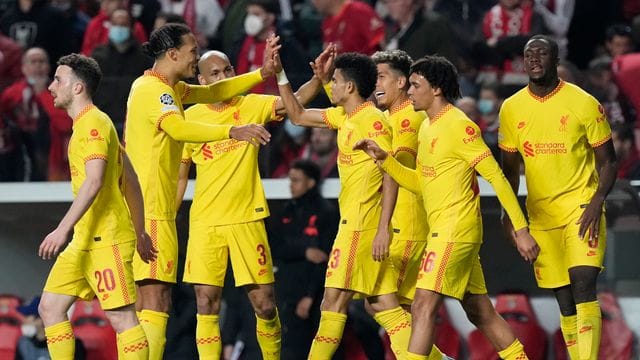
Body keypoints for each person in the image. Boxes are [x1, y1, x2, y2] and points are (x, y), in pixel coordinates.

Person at [354, 54, 539, 360]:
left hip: (455, 230)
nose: (409, 91)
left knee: (423, 304)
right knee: (480, 312)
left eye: (415, 85)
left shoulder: (459, 126)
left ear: (436, 88)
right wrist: (384, 159)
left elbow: (497, 177)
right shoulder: (428, 127)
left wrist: (521, 229)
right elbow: (420, 184)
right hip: (446, 230)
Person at [124, 23, 274, 360]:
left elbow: (213, 93)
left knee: (149, 299)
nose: (197, 56)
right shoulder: (155, 91)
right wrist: (232, 130)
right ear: (174, 54)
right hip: (152, 208)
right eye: (193, 51)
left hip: (153, 206)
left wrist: (261, 74)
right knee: (154, 299)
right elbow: (177, 128)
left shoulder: (170, 88)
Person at [176, 49, 322, 360]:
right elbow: (179, 176)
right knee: (205, 302)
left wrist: (318, 80)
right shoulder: (189, 118)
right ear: (202, 81)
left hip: (247, 218)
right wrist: (167, 216)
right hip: (205, 221)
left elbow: (295, 101)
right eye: (215, 74)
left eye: (228, 70)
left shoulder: (250, 104)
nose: (225, 77)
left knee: (265, 304)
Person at [276, 49, 413, 359]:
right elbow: (297, 115)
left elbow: (390, 174)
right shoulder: (344, 117)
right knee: (382, 304)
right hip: (354, 225)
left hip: (361, 228)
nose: (331, 86)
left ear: (349, 87)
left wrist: (382, 230)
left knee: (332, 302)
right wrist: (280, 73)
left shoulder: (374, 122)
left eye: (335, 81)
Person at [499, 35, 618, 360]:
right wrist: (509, 217)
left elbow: (609, 161)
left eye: (542, 53)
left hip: (581, 208)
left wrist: (596, 203)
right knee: (565, 300)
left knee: (583, 284)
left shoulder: (583, 102)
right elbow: (508, 171)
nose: (535, 59)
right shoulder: (511, 109)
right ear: (523, 62)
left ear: (555, 60)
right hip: (541, 216)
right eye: (529, 54)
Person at [36, 53, 157, 360]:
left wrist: (60, 230)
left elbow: (94, 181)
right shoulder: (92, 125)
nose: (51, 87)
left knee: (122, 318)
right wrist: (141, 231)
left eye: (58, 80)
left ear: (77, 88)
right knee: (50, 307)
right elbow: (130, 179)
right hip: (85, 239)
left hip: (107, 239)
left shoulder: (93, 125)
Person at [269, 159, 339, 359]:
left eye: (296, 180)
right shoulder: (285, 211)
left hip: (315, 293)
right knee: (289, 346)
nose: (291, 185)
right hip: (286, 290)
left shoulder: (327, 212)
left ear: (311, 182)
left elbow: (326, 258)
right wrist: (304, 251)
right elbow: (275, 246)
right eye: (290, 180)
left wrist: (309, 297)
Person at [0, 48, 73, 181]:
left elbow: (65, 125)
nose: (38, 65)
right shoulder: (11, 94)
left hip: (51, 153)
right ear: (23, 68)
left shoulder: (62, 92)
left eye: (42, 61)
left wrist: (42, 94)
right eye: (33, 62)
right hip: (20, 152)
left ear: (49, 67)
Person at [91, 8, 153, 134]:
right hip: (104, 119)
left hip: (134, 120)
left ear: (131, 28)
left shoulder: (144, 57)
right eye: (115, 24)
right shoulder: (98, 55)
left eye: (123, 25)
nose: (119, 28)